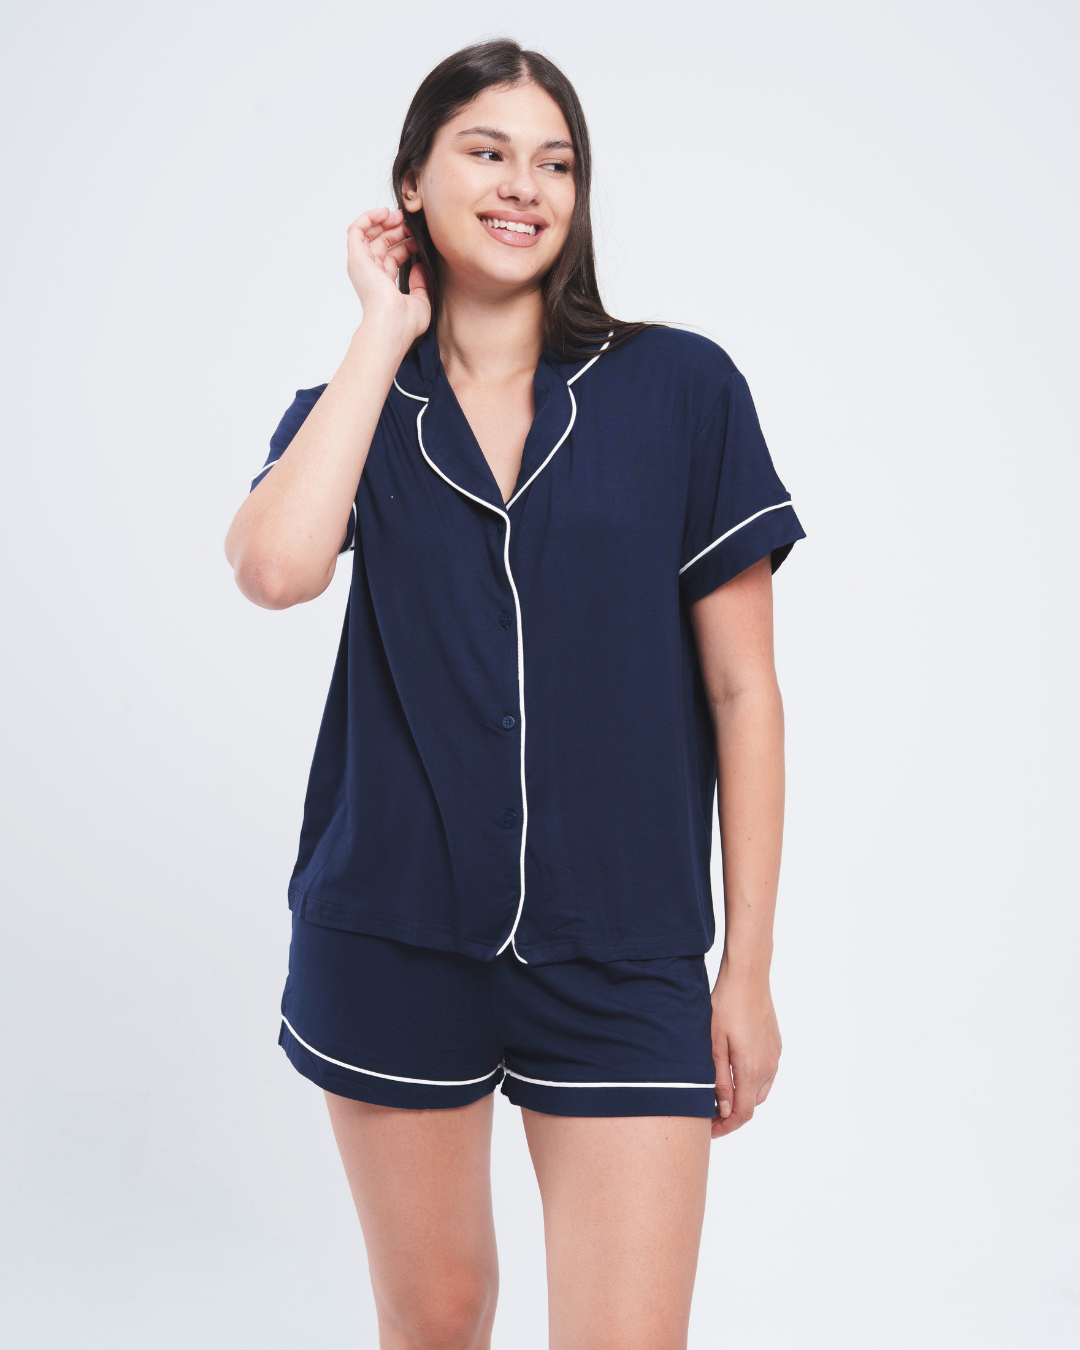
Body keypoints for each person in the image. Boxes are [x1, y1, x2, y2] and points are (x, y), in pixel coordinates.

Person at [225, 38, 804, 1350]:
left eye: (555, 162)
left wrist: (748, 969)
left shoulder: (681, 389)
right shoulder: (355, 407)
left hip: (626, 945)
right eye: (486, 152)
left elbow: (744, 690)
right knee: (435, 1318)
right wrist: (383, 330)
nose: (523, 186)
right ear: (412, 182)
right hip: (392, 935)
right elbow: (275, 569)